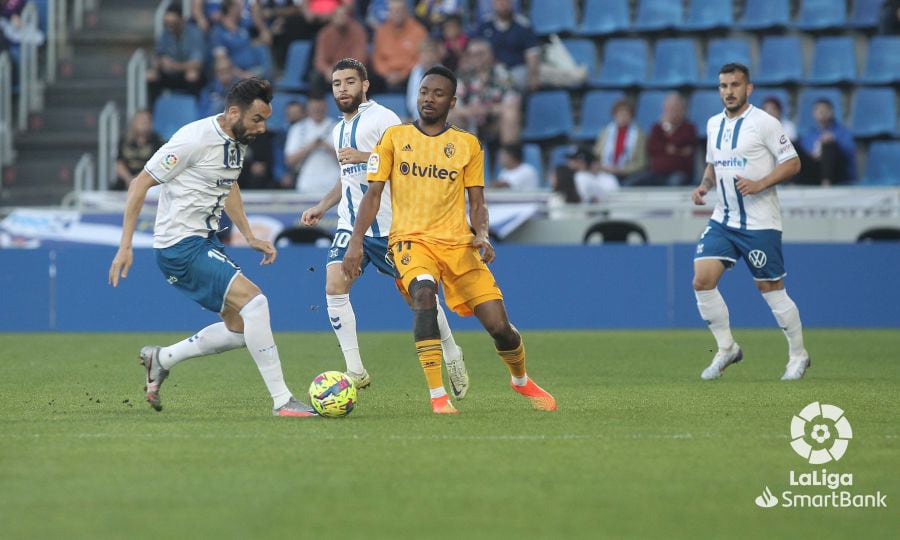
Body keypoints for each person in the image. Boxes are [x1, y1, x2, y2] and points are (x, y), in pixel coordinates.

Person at [342, 65, 556, 414]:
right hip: (411, 242)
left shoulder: (467, 145)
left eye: (438, 93)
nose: (428, 98)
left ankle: (520, 381)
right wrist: (355, 242)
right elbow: (372, 195)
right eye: (425, 91)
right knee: (424, 294)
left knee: (501, 328)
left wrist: (482, 234)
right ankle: (438, 395)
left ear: (452, 101)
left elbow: (477, 202)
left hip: (458, 245)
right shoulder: (393, 138)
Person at [108, 77, 317, 417]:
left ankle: (162, 359)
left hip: (205, 240)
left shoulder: (237, 139)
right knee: (256, 303)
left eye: (265, 119)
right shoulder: (193, 139)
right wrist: (125, 246)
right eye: (257, 119)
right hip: (179, 245)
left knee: (241, 330)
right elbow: (138, 184)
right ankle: (283, 401)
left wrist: (248, 235)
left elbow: (229, 183)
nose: (263, 128)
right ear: (234, 112)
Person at [300, 58, 467, 394]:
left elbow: (408, 161)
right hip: (351, 225)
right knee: (334, 286)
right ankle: (355, 370)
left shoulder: (384, 119)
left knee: (419, 301)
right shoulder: (337, 129)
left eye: (349, 82)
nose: (343, 89)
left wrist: (364, 157)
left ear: (365, 85)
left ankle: (452, 353)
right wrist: (322, 205)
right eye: (337, 84)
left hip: (392, 228)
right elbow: (348, 178)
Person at [692, 63, 810, 381]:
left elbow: (793, 162)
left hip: (760, 222)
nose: (729, 91)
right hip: (724, 218)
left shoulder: (764, 123)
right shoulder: (713, 124)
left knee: (770, 288)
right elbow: (712, 163)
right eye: (723, 86)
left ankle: (798, 355)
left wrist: (761, 183)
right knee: (702, 281)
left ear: (749, 88)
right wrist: (704, 185)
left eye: (735, 85)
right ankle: (727, 348)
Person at [628, 93, 696, 187]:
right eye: (668, 109)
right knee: (631, 183)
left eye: (674, 108)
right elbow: (651, 147)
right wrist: (675, 150)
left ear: (682, 110)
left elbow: (677, 143)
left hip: (678, 172)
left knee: (673, 185)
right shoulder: (657, 128)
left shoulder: (689, 128)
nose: (671, 112)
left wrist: (668, 130)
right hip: (656, 173)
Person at [475, 0, 540, 91]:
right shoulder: (485, 25)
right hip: (490, 70)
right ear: (493, 4)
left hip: (516, 69)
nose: (502, 5)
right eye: (499, 2)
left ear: (511, 4)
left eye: (506, 2)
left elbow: (532, 54)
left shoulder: (523, 25)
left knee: (516, 79)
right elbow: (476, 51)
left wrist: (533, 75)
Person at [146, 5, 205, 100]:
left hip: (186, 74)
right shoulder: (165, 33)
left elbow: (197, 63)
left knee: (192, 74)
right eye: (167, 23)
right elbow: (158, 54)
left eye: (173, 23)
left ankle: (192, 109)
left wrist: (175, 66)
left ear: (182, 20)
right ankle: (153, 110)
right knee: (151, 75)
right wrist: (160, 62)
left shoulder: (194, 33)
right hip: (170, 74)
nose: (170, 27)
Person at [283, 93, 339, 192]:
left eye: (320, 108)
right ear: (308, 108)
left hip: (333, 182)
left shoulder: (338, 127)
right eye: (314, 108)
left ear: (326, 107)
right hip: (307, 183)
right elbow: (289, 160)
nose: (317, 111)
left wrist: (327, 147)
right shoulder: (298, 128)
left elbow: (348, 160)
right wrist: (310, 147)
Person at [371, 0, 428, 93]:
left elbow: (420, 58)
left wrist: (402, 74)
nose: (397, 13)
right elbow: (376, 58)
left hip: (409, 76)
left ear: (406, 11)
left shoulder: (419, 31)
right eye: (393, 10)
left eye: (400, 10)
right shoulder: (381, 31)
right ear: (389, 12)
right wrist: (386, 74)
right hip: (385, 76)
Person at [797, 99, 856, 186]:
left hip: (836, 173)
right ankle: (793, 182)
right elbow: (805, 151)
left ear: (831, 112)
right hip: (815, 171)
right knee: (793, 147)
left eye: (825, 110)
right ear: (813, 114)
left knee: (829, 145)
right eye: (818, 110)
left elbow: (849, 151)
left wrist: (833, 140)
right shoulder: (810, 133)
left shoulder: (842, 131)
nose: (822, 113)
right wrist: (813, 154)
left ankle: (826, 182)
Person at [114, 110, 164, 191]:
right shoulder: (124, 140)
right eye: (141, 121)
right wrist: (129, 179)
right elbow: (119, 164)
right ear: (134, 123)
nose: (144, 124)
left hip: (149, 181)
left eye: (147, 121)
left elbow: (158, 165)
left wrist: (139, 179)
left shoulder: (156, 140)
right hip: (126, 181)